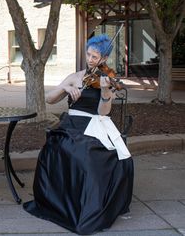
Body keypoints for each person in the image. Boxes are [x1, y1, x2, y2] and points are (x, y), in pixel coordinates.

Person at [23, 34, 134, 235]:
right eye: (89, 54)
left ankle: (91, 206)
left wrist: (106, 93)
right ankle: (63, 203)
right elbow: (49, 99)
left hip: (96, 124)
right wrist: (65, 88)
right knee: (69, 150)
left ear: (104, 59)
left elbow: (103, 112)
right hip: (72, 124)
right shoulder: (76, 76)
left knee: (100, 155)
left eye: (95, 56)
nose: (91, 59)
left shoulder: (106, 79)